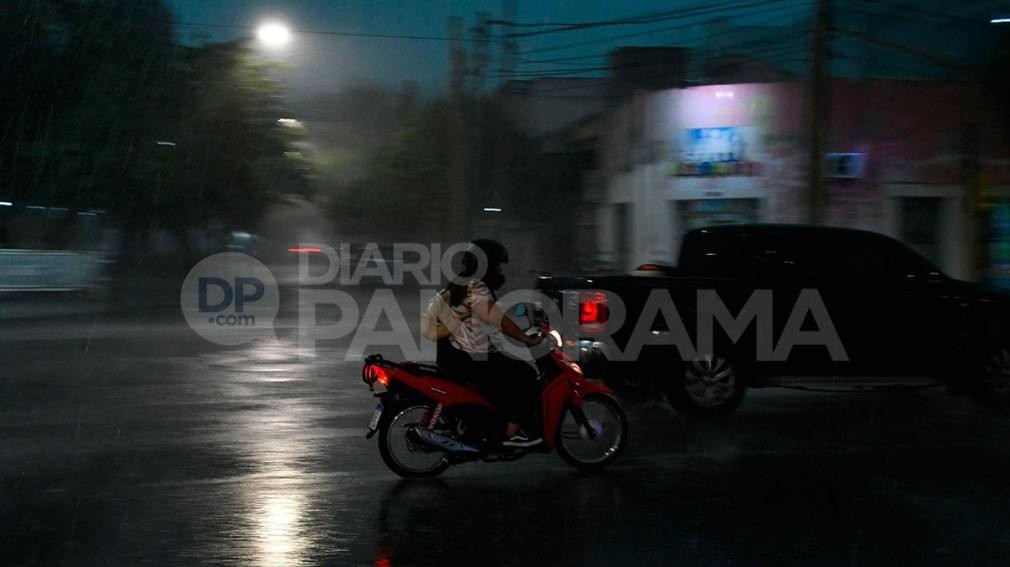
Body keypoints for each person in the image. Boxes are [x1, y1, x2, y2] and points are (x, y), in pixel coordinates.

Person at [436, 239, 544, 447]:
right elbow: (498, 319)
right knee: (525, 374)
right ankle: (512, 432)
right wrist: (525, 338)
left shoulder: (460, 282)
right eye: (497, 265)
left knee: (505, 370)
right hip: (467, 358)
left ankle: (491, 424)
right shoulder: (475, 286)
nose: (500, 271)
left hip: (456, 354)